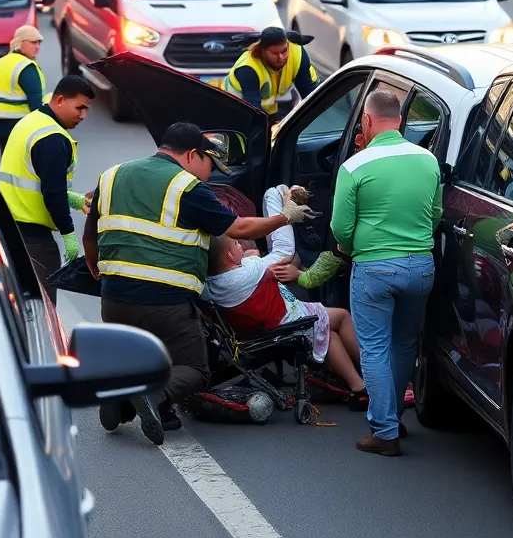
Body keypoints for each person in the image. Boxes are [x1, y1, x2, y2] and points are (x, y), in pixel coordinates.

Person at [83, 122, 316, 446]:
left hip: (114, 298)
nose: (210, 175)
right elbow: (239, 227)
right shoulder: (186, 187)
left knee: (148, 353)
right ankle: (148, 394)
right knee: (194, 369)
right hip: (164, 301)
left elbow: (90, 236)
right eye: (210, 165)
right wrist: (285, 217)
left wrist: (99, 273)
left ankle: (125, 399)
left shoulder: (111, 176)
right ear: (192, 155)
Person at [331, 89, 442, 457]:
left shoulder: (355, 166)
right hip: (421, 268)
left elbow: (340, 228)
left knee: (375, 348)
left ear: (366, 120)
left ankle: (384, 431)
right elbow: (436, 214)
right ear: (400, 121)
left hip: (375, 270)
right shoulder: (427, 160)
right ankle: (393, 418)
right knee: (404, 344)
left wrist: (351, 245)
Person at [205, 234, 366, 402]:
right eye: (237, 244)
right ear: (230, 255)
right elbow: (260, 254)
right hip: (286, 321)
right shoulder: (251, 270)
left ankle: (357, 382)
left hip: (255, 331)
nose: (241, 247)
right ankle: (365, 374)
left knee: (329, 332)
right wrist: (249, 256)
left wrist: (243, 257)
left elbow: (249, 257)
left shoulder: (212, 284)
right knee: (341, 318)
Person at [0, 75, 95, 305]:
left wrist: (76, 200)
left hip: (9, 225)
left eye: (87, 109)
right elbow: (52, 192)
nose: (83, 115)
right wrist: (68, 234)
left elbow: (35, 181)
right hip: (32, 237)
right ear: (60, 100)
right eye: (79, 108)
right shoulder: (52, 138)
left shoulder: (33, 121)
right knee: (43, 305)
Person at [223, 26, 318, 119]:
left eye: (284, 51)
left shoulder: (297, 53)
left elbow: (308, 91)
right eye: (274, 53)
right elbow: (253, 111)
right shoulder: (248, 68)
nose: (281, 58)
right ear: (262, 51)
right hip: (236, 111)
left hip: (270, 108)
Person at [0, 25, 47, 152]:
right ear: (20, 43)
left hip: (0, 129)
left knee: (11, 168)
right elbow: (36, 103)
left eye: (38, 43)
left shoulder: (0, 63)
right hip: (22, 128)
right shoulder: (26, 67)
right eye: (33, 42)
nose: (37, 47)